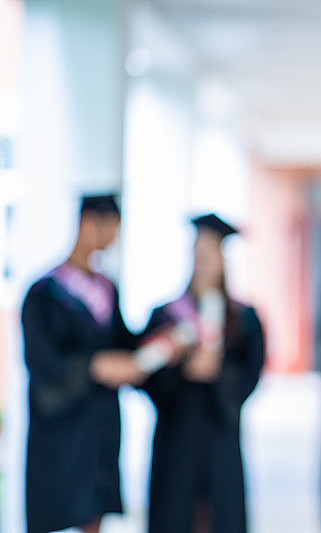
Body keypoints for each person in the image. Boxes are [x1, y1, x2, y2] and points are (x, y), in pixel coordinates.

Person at [22, 194, 144, 533]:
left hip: (100, 424)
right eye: (110, 230)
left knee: (94, 508)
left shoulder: (106, 289)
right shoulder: (44, 293)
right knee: (60, 507)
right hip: (63, 428)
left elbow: (124, 343)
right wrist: (94, 366)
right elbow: (43, 360)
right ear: (88, 223)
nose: (113, 240)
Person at [141, 213, 265, 533]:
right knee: (174, 514)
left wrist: (218, 372)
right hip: (176, 435)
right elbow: (147, 378)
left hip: (220, 434)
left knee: (221, 517)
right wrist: (182, 369)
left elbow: (251, 376)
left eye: (211, 255)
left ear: (224, 260)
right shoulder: (166, 316)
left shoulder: (245, 319)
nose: (204, 263)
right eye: (198, 255)